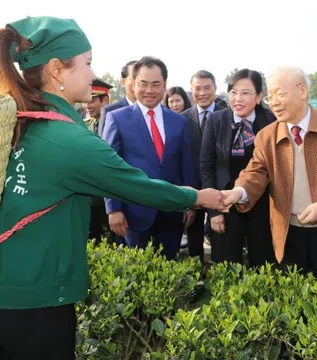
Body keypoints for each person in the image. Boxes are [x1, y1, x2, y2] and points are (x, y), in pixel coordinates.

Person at [0, 16, 224, 360]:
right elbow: (137, 185)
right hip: (37, 298)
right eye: (87, 63)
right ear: (58, 70)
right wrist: (197, 196)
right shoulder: (67, 139)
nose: (93, 74)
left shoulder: (22, 120)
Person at [222, 66, 317, 283]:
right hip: (288, 234)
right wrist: (239, 192)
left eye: (280, 94)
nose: (274, 102)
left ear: (302, 91)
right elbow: (255, 172)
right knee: (293, 307)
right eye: (271, 97)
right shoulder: (267, 136)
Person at [103, 56, 197, 259]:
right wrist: (114, 209)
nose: (149, 90)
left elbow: (186, 166)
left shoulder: (179, 122)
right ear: (133, 83)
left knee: (170, 269)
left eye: (156, 84)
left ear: (164, 85)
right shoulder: (117, 119)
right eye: (143, 84)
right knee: (137, 274)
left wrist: (190, 204)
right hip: (133, 213)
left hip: (172, 211)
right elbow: (109, 169)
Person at [200, 69, 275, 265]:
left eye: (245, 93)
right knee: (226, 267)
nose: (237, 99)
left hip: (262, 206)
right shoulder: (216, 120)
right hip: (224, 204)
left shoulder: (271, 122)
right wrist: (214, 212)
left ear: (259, 96)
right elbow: (206, 165)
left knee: (263, 266)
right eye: (233, 92)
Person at [181, 70, 225, 262]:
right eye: (197, 89)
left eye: (207, 88)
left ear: (215, 88)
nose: (203, 93)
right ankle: (196, 280)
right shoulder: (183, 118)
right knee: (194, 237)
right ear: (191, 91)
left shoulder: (227, 115)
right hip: (193, 187)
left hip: (221, 187)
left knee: (222, 236)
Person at [83, 78, 115, 244]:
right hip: (89, 197)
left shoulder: (116, 122)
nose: (87, 105)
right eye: (86, 100)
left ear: (106, 100)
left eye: (92, 100)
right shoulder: (80, 125)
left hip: (112, 195)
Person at [97, 60, 137, 136]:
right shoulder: (110, 111)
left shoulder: (153, 111)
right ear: (123, 81)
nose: (137, 84)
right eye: (133, 79)